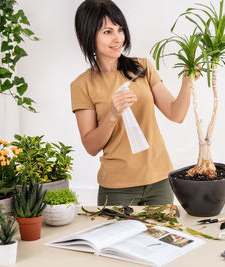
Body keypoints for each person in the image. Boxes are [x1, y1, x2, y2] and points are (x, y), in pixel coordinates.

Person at [71, 0, 195, 206]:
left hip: (160, 181)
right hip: (117, 189)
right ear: (88, 35)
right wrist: (112, 115)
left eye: (120, 30)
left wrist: (187, 82)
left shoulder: (142, 67)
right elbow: (91, 147)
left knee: (162, 238)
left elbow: (176, 114)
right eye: (107, 32)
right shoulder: (82, 85)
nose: (118, 38)